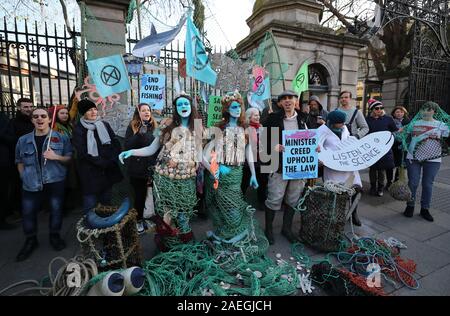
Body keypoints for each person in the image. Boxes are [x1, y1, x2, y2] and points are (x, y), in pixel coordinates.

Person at [119, 93, 201, 251]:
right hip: (165, 178)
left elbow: (199, 154)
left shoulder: (197, 128)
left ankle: (184, 243)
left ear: (191, 107)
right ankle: (169, 245)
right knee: (167, 213)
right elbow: (151, 148)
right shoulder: (165, 126)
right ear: (176, 109)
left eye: (186, 104)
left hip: (186, 180)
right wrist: (132, 152)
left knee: (183, 214)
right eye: (180, 105)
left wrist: (213, 169)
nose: (183, 107)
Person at [203, 91, 267, 260]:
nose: (238, 110)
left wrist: (253, 174)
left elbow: (249, 153)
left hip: (237, 174)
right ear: (227, 109)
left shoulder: (244, 130)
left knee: (233, 207)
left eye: (239, 106)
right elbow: (206, 153)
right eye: (234, 107)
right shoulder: (220, 129)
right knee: (223, 206)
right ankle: (225, 236)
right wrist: (214, 168)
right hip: (221, 173)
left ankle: (230, 237)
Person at [15, 107, 72, 261]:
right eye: (36, 116)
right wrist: (23, 176)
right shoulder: (23, 140)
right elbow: (19, 161)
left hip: (54, 181)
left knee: (56, 210)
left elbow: (69, 159)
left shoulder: (61, 138)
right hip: (31, 183)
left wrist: (56, 157)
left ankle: (55, 236)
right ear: (32, 120)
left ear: (48, 119)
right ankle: (31, 240)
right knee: (28, 213)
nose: (39, 119)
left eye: (43, 116)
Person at [262, 90, 308, 244]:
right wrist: (274, 146)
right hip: (279, 166)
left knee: (293, 199)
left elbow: (310, 138)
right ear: (280, 103)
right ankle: (268, 229)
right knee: (274, 198)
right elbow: (263, 141)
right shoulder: (273, 119)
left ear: (296, 101)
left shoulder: (303, 119)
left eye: (291, 98)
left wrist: (315, 148)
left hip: (298, 168)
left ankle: (286, 229)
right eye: (284, 99)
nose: (288, 101)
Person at [72, 99, 123, 214]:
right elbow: (82, 151)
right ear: (83, 113)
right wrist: (102, 162)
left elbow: (114, 142)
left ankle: (105, 228)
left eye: (95, 109)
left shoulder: (104, 124)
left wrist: (113, 158)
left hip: (107, 171)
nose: (94, 112)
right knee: (90, 203)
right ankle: (90, 229)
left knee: (106, 202)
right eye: (90, 110)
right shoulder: (79, 129)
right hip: (90, 172)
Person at [402, 102, 449, 222]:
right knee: (412, 182)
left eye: (429, 110)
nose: (425, 112)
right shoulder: (413, 124)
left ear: (434, 111)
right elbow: (405, 136)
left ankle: (425, 209)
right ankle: (410, 206)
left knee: (427, 184)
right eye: (423, 109)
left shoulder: (441, 125)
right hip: (413, 157)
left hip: (433, 159)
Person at [317, 110, 363, 226]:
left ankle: (354, 213)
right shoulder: (321, 131)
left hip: (348, 165)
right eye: (340, 123)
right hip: (333, 168)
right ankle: (336, 215)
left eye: (343, 122)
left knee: (356, 188)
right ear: (331, 122)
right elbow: (317, 147)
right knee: (336, 192)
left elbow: (348, 141)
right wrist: (322, 157)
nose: (343, 125)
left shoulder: (345, 129)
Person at [124, 103, 158, 234]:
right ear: (138, 113)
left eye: (148, 110)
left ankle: (151, 218)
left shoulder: (155, 126)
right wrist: (138, 134)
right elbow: (127, 145)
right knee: (140, 196)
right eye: (143, 110)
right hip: (138, 169)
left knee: (153, 196)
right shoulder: (133, 126)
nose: (146, 112)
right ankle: (138, 221)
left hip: (153, 168)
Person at [365, 99, 398, 196]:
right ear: (372, 110)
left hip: (384, 148)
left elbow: (394, 131)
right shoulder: (367, 120)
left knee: (381, 169)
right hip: (371, 148)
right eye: (377, 108)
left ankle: (380, 188)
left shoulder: (388, 119)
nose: (379, 110)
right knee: (373, 168)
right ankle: (372, 187)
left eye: (381, 108)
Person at [9, 98, 35, 221]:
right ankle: (19, 210)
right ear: (19, 107)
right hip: (21, 160)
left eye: (31, 106)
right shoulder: (13, 123)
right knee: (20, 185)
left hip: (35, 158)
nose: (29, 109)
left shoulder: (34, 120)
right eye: (25, 107)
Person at [241, 107, 267, 205]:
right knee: (244, 182)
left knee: (262, 182)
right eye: (255, 115)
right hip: (247, 161)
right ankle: (240, 202)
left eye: (258, 115)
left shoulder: (261, 127)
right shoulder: (244, 128)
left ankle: (261, 202)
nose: (258, 117)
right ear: (249, 116)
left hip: (260, 160)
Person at [0, 112, 16, 230]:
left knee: (3, 191)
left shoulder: (3, 118)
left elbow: (11, 138)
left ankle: (2, 219)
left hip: (2, 161)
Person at [390, 106, 410, 182]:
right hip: (393, 146)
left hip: (403, 146)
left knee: (401, 165)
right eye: (397, 112)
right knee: (391, 165)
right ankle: (389, 181)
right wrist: (398, 131)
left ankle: (397, 181)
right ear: (394, 113)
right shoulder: (391, 121)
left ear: (404, 113)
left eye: (401, 112)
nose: (399, 114)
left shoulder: (408, 122)